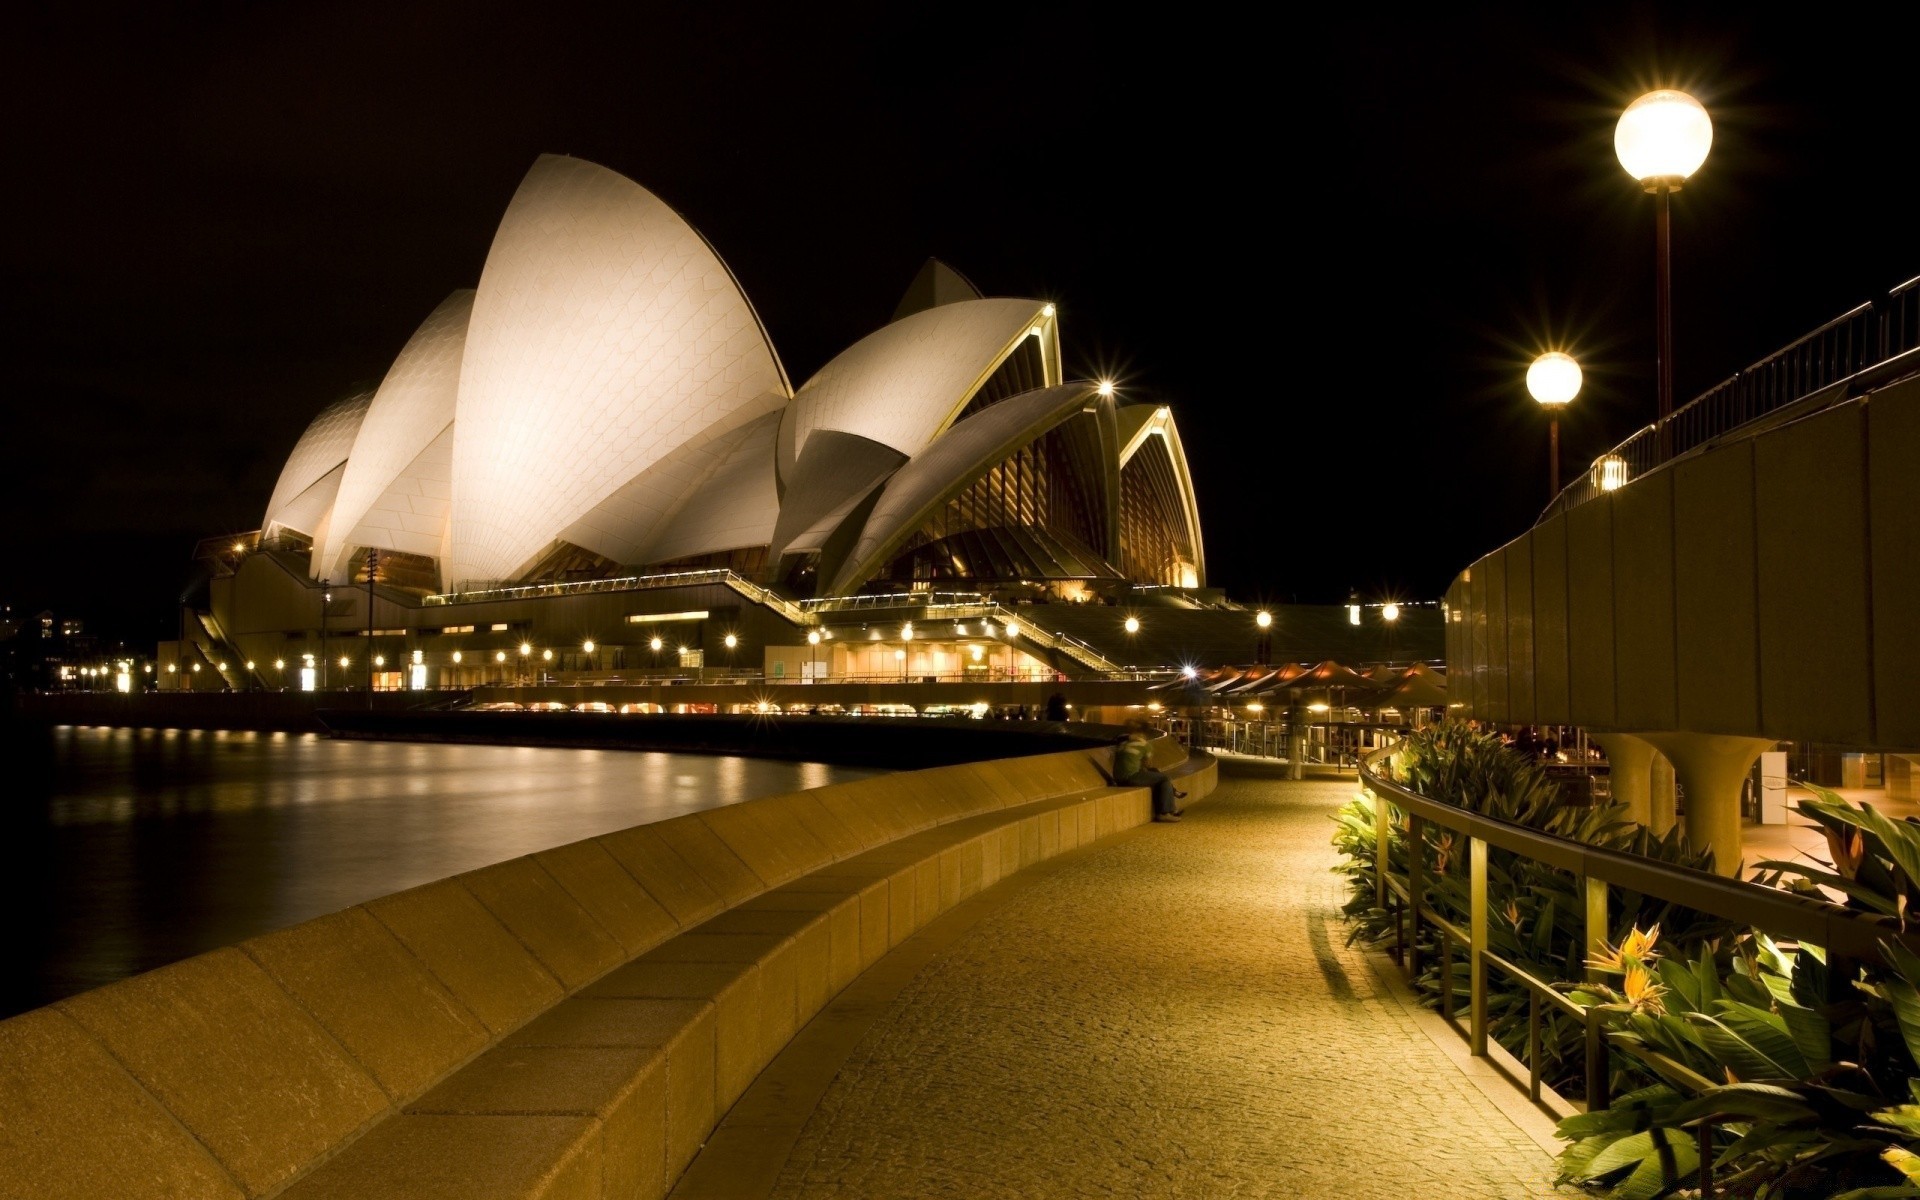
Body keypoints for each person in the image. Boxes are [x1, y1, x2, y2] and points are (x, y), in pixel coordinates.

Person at [1114, 726, 1185, 821]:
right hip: (1130, 777)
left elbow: (1117, 738)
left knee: (1155, 771)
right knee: (1164, 779)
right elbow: (1148, 764)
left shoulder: (1123, 743)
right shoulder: (1145, 745)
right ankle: (1164, 813)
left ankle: (1173, 806)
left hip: (1118, 779)